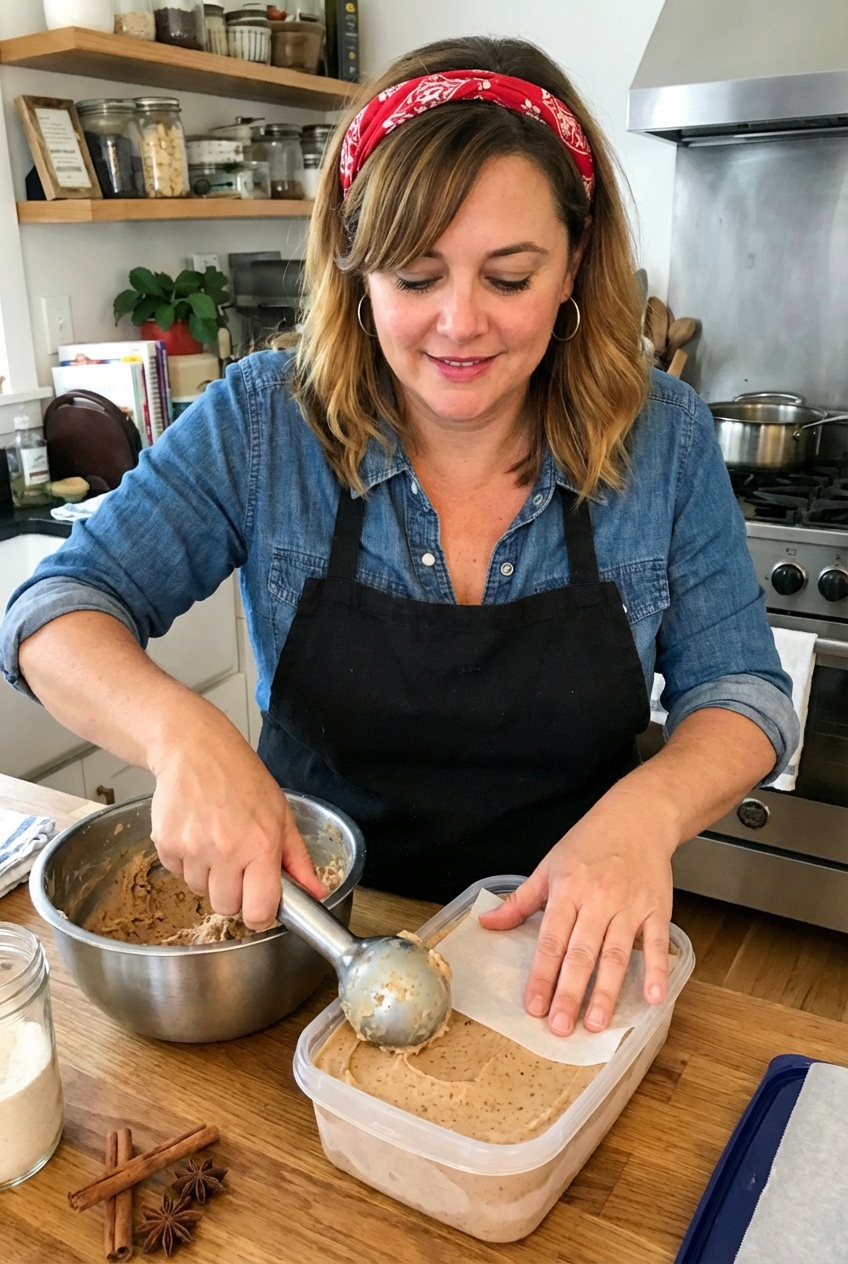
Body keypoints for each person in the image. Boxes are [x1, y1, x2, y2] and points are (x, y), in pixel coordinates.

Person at [1, 37, 797, 1042]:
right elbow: (52, 609)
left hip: (552, 954)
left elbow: (744, 695)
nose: (458, 324)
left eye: (507, 278)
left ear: (574, 266)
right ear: (354, 261)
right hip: (302, 942)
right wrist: (180, 736)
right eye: (415, 276)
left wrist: (643, 819)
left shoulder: (666, 437)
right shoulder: (262, 423)